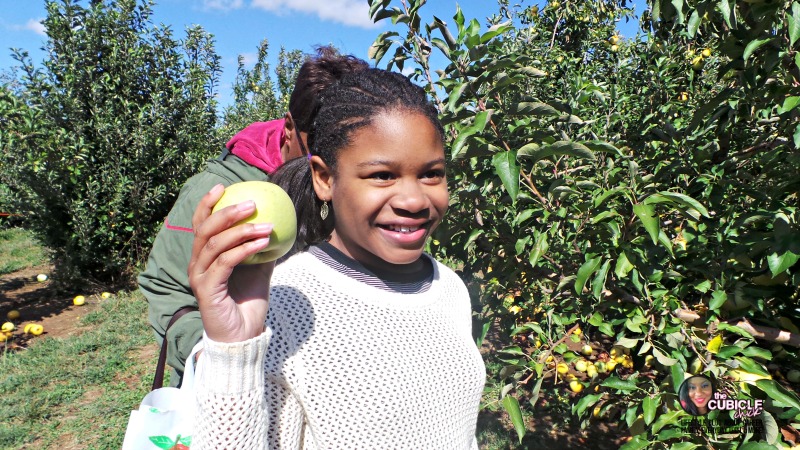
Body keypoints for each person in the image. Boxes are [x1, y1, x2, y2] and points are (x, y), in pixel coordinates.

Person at [187, 68, 487, 448]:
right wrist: (234, 350)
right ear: (325, 179)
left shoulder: (449, 288)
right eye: (381, 175)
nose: (413, 200)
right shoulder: (282, 305)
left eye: (431, 174)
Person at [137, 47, 369, 386]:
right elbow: (166, 288)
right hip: (230, 382)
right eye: (322, 147)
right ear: (290, 127)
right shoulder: (218, 193)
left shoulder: (352, 184)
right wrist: (214, 352)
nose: (334, 166)